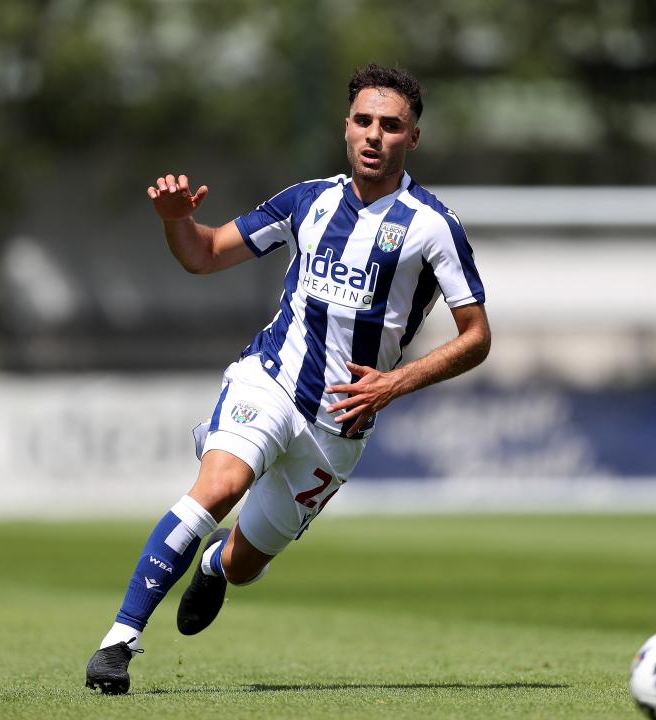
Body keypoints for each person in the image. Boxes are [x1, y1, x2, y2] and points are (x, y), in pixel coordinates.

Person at [85, 63, 490, 694]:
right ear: (345, 128)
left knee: (246, 564)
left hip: (340, 422)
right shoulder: (308, 200)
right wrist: (174, 220)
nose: (374, 135)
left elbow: (477, 338)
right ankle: (119, 643)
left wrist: (394, 383)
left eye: (391, 125)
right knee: (218, 487)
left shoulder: (432, 226)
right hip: (269, 381)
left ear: (414, 138)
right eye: (363, 121)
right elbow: (204, 253)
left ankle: (217, 564)